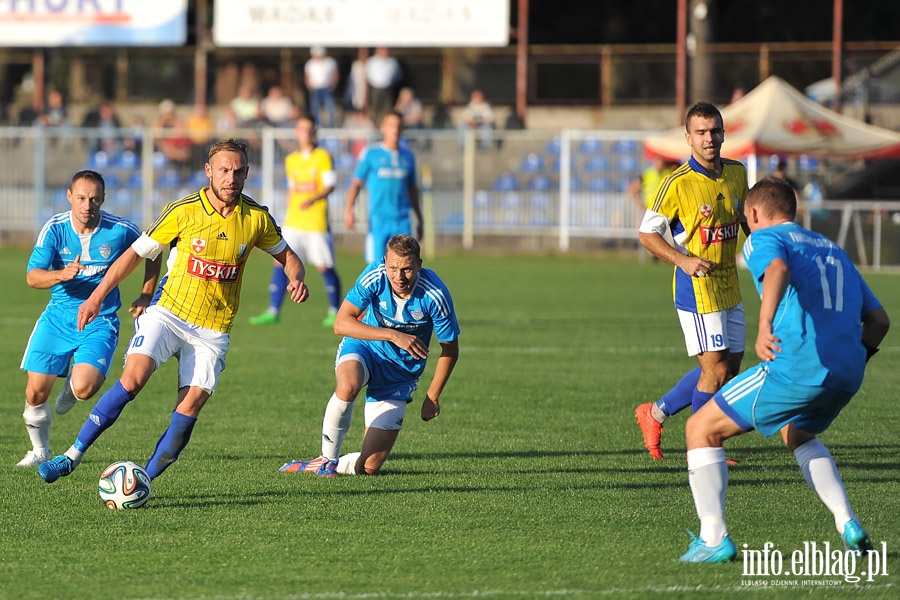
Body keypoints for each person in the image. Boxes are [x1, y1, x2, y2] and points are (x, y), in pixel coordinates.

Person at [37, 139, 310, 485]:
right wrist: (95, 297)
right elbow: (135, 255)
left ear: (246, 173)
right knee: (133, 380)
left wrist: (296, 279)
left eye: (238, 172)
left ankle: (142, 484)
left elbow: (289, 258)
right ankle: (71, 455)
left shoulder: (256, 218)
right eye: (224, 171)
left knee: (188, 413)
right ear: (208, 171)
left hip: (213, 329)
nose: (231, 178)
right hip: (168, 312)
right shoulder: (184, 210)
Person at [678, 177, 890, 562]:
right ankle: (847, 522)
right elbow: (879, 320)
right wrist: (858, 358)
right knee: (798, 433)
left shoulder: (765, 239)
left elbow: (776, 269)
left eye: (747, 219)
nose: (748, 226)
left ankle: (713, 540)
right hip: (847, 372)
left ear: (755, 213)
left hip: (796, 367)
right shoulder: (832, 248)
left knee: (700, 429)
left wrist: (764, 326)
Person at [280, 234, 459, 476]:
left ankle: (318, 466)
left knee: (368, 468)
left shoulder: (435, 294)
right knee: (348, 385)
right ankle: (327, 460)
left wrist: (433, 396)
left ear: (419, 265)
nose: (399, 276)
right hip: (364, 347)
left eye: (406, 269)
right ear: (385, 262)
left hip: (400, 373)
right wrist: (393, 335)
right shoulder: (375, 274)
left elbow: (450, 349)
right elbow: (341, 323)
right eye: (393, 268)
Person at [17, 170, 161, 467]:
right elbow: (33, 277)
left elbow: (154, 252)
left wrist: (147, 293)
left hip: (100, 319)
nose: (87, 205)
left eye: (94, 199)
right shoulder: (54, 229)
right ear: (69, 197)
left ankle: (72, 388)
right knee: (35, 391)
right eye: (81, 198)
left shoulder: (121, 230)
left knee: (85, 389)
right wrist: (61, 274)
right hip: (58, 318)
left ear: (103, 199)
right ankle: (39, 450)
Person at [634, 102, 749, 461]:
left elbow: (746, 222)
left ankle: (654, 412)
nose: (709, 138)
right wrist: (682, 260)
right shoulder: (677, 183)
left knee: (728, 369)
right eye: (700, 132)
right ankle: (703, 446)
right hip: (697, 288)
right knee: (714, 370)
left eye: (714, 130)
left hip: (729, 284)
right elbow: (646, 233)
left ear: (723, 133)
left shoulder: (737, 173)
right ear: (688, 138)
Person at [250, 115, 342, 327]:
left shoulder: (323, 157)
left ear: (315, 132)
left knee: (324, 266)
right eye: (301, 129)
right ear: (297, 132)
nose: (305, 133)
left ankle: (334, 311)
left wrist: (314, 198)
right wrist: (286, 215)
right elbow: (292, 189)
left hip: (316, 221)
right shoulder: (291, 160)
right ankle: (273, 311)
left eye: (309, 129)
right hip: (294, 221)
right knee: (280, 261)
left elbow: (329, 186)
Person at [345, 111, 423, 263]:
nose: (395, 129)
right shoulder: (371, 153)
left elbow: (412, 189)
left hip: (402, 219)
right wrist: (349, 209)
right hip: (378, 220)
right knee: (378, 267)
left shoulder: (408, 156)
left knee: (405, 266)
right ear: (383, 128)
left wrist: (420, 219)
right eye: (391, 125)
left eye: (399, 126)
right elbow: (356, 183)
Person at [304, 46, 339, 128]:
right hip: (315, 89)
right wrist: (309, 86)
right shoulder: (310, 63)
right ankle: (317, 125)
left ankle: (332, 125)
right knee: (315, 108)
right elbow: (307, 76)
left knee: (330, 107)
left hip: (326, 88)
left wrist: (333, 84)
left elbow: (335, 74)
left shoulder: (330, 62)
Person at [365, 47, 402, 123]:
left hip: (388, 89)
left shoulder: (392, 62)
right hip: (375, 89)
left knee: (388, 110)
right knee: (374, 110)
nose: (384, 52)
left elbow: (398, 76)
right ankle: (373, 126)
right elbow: (366, 76)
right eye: (382, 49)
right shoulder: (371, 61)